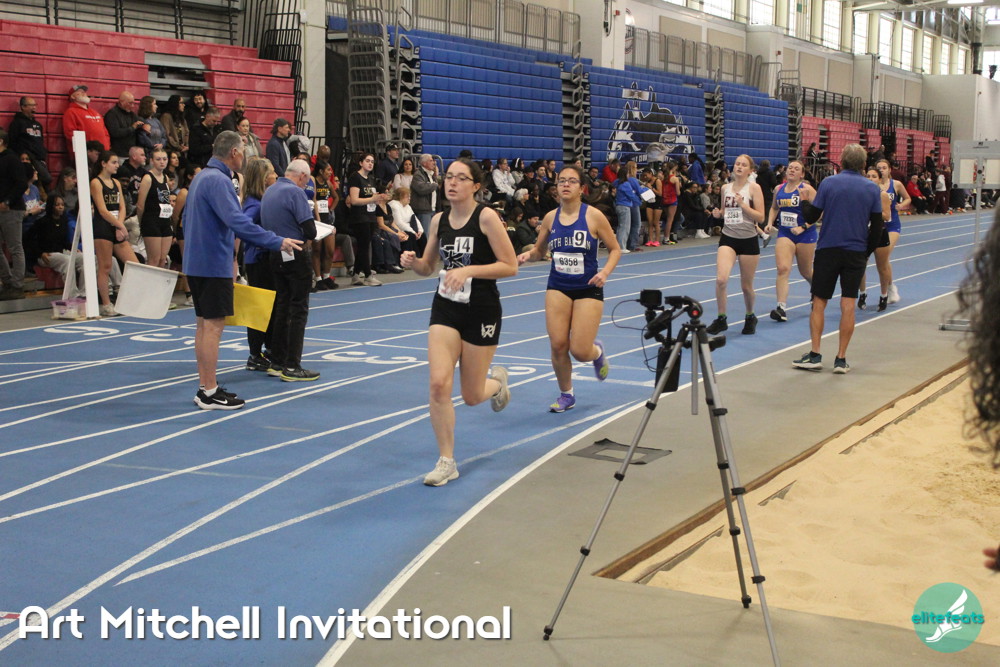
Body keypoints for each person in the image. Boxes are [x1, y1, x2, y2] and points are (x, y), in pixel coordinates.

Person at [399, 158, 517, 486]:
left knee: (472, 395)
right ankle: (447, 461)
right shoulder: (439, 220)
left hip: (481, 310)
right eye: (449, 177)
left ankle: (498, 384)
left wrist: (468, 271)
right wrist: (412, 261)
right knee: (439, 383)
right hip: (446, 308)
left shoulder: (486, 217)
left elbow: (510, 265)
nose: (452, 183)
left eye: (461, 178)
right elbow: (427, 266)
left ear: (475, 186)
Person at [183, 131, 302, 410]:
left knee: (203, 326)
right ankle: (209, 391)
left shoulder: (201, 177)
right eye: (244, 151)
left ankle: (205, 387)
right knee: (213, 327)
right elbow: (237, 221)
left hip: (197, 262)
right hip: (213, 264)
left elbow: (190, 219)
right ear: (234, 152)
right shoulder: (219, 180)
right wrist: (277, 241)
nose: (246, 157)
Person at [517, 165, 620, 412]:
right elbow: (540, 251)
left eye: (571, 181)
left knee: (580, 351)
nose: (565, 184)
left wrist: (605, 272)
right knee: (558, 345)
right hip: (558, 286)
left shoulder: (594, 216)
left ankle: (596, 352)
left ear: (581, 188)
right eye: (561, 180)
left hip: (588, 287)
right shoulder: (550, 218)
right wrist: (528, 255)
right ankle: (567, 394)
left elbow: (615, 249)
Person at [792, 144, 885, 374]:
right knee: (848, 304)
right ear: (864, 164)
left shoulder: (829, 183)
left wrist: (804, 201)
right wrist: (865, 253)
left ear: (841, 160)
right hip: (856, 251)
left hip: (828, 249)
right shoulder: (872, 189)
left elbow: (813, 216)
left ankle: (815, 354)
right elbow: (877, 227)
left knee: (819, 302)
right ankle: (841, 359)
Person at [260, 159, 319, 381]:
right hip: (295, 253)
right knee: (298, 309)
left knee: (282, 306)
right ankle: (293, 365)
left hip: (275, 253)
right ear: (302, 176)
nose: (306, 184)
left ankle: (277, 361)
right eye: (307, 180)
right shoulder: (295, 193)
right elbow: (310, 231)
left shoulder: (270, 191)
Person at [705, 155, 767, 335]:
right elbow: (725, 212)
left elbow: (760, 217)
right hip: (729, 238)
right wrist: (718, 214)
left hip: (748, 240)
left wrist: (743, 205)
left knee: (746, 286)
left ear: (750, 170)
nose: (739, 167)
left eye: (744, 165)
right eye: (737, 164)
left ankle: (750, 316)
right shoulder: (726, 188)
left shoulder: (754, 188)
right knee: (721, 279)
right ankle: (721, 318)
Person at [763, 159, 817, 322]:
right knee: (783, 268)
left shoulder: (807, 189)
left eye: (796, 168)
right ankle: (781, 308)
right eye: (790, 168)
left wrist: (804, 226)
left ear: (802, 174)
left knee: (805, 271)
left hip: (805, 234)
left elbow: (819, 212)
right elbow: (774, 207)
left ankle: (816, 291)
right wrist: (769, 223)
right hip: (785, 233)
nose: (792, 170)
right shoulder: (778, 189)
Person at [90, 151, 140, 316]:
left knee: (134, 265)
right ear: (103, 163)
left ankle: (127, 300)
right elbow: (102, 210)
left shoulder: (116, 183)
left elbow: (122, 206)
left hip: (117, 226)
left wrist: (120, 226)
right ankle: (106, 304)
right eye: (113, 162)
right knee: (105, 267)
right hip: (103, 227)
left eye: (117, 162)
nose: (117, 165)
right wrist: (120, 225)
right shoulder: (96, 183)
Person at [240, 157, 278, 370]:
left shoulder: (264, 200)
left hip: (267, 260)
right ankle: (255, 354)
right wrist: (263, 240)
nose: (276, 176)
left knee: (271, 306)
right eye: (272, 173)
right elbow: (244, 226)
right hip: (259, 261)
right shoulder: (254, 204)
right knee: (259, 308)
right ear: (263, 178)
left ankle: (270, 348)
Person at [859, 159, 911, 311]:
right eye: (879, 167)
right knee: (864, 261)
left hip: (891, 225)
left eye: (884, 168)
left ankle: (889, 288)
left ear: (889, 170)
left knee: (884, 257)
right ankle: (869, 291)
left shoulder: (895, 184)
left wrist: (901, 205)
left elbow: (908, 198)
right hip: (872, 227)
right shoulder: (868, 188)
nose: (881, 170)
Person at [347, 152, 390, 286]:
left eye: (372, 161)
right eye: (367, 161)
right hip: (360, 217)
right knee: (364, 246)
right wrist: (371, 199)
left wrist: (378, 199)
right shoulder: (355, 177)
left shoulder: (371, 179)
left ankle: (355, 274)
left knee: (364, 246)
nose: (370, 163)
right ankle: (367, 275)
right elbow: (354, 200)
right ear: (361, 163)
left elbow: (372, 198)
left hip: (370, 215)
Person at [0, 129, 29, 299]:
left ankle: (17, 285)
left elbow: (21, 184)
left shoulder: (12, 159)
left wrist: (7, 201)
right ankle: (7, 282)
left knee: (15, 247)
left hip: (11, 209)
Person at [136, 148, 174, 271]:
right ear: (152, 161)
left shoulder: (166, 178)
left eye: (164, 159)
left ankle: (158, 284)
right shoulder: (148, 178)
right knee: (154, 260)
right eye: (158, 159)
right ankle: (148, 283)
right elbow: (140, 205)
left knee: (163, 259)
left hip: (165, 220)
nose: (162, 162)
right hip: (151, 221)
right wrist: (141, 222)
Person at [8, 96, 50, 186]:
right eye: (31, 105)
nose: (34, 107)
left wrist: (42, 157)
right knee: (46, 179)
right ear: (23, 107)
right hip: (27, 159)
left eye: (35, 105)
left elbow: (40, 142)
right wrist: (22, 154)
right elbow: (12, 142)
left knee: (43, 183)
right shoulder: (16, 123)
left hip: (39, 159)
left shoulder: (38, 124)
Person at [63, 85, 110, 154]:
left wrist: (107, 146)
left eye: (84, 91)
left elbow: (105, 132)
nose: (83, 93)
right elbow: (70, 133)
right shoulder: (71, 112)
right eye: (79, 91)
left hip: (103, 151)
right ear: (72, 96)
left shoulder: (95, 112)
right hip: (86, 153)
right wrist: (85, 149)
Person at [614, 161, 643, 253]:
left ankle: (621, 245)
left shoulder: (617, 182)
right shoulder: (627, 183)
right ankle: (623, 246)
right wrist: (640, 201)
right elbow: (632, 195)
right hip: (625, 205)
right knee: (626, 226)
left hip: (619, 205)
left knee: (622, 226)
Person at [104, 91, 143, 158]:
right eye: (130, 103)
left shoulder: (131, 114)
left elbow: (141, 121)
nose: (132, 106)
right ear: (122, 102)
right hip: (119, 153)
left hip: (130, 153)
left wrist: (145, 124)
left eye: (133, 103)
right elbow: (115, 133)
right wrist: (132, 128)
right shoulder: (112, 114)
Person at [661, 161, 681, 245]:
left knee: (667, 219)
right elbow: (678, 192)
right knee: (670, 220)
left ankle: (666, 237)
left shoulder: (663, 178)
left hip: (665, 200)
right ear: (674, 168)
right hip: (672, 200)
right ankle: (666, 238)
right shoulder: (675, 179)